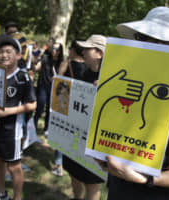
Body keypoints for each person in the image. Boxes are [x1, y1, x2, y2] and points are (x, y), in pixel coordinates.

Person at [96, 6, 169, 200]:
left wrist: (145, 180)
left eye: (160, 41)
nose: (149, 45)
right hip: (118, 189)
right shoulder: (126, 81)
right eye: (143, 37)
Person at [0, 34, 36, 200]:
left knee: (14, 167)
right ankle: (0, 193)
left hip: (11, 130)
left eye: (8, 51)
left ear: (18, 56)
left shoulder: (22, 77)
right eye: (1, 51)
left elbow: (32, 105)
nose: (4, 55)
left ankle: (17, 197)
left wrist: (7, 111)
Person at [62, 35, 107, 200]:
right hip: (76, 135)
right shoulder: (83, 73)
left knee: (91, 181)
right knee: (74, 173)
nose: (83, 51)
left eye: (87, 48)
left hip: (95, 140)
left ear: (99, 53)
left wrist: (105, 90)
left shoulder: (111, 78)